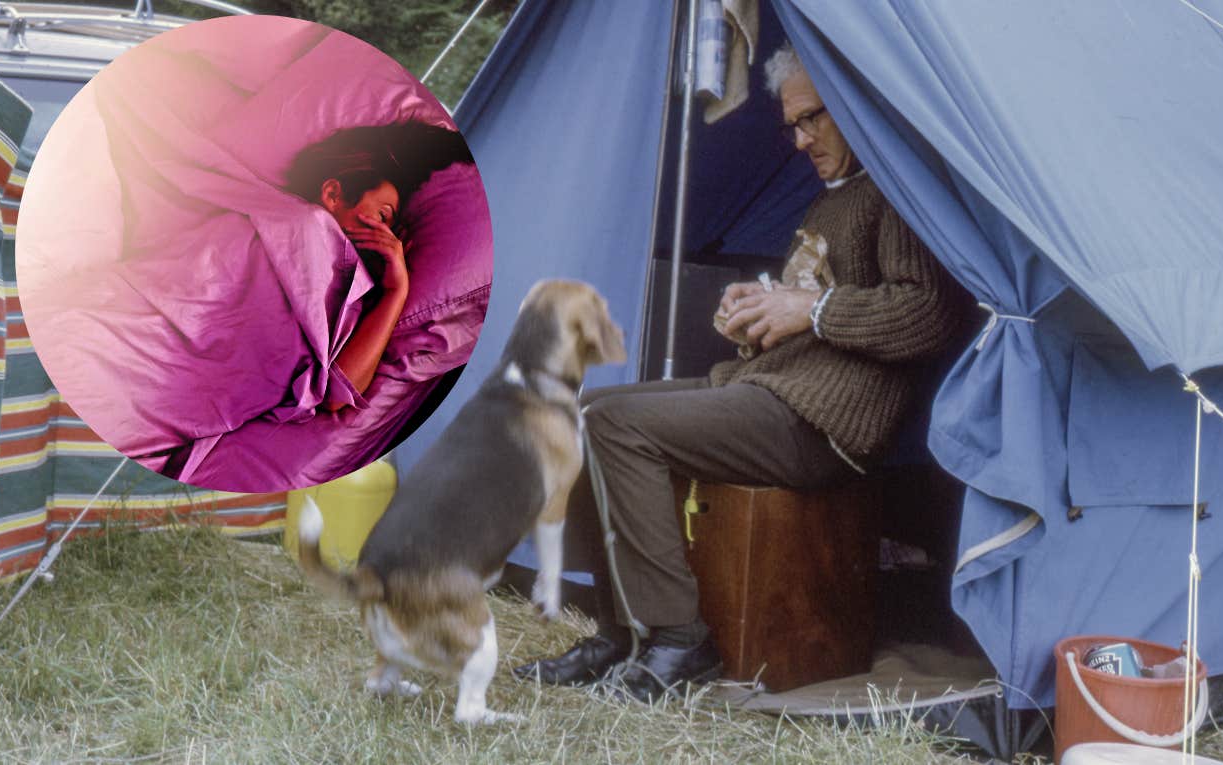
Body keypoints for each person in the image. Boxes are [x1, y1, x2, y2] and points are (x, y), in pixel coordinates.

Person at [513, 46, 974, 701]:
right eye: (793, 124)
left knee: (614, 423)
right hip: (767, 389)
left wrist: (807, 308)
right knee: (584, 408)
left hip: (820, 423)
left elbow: (929, 312)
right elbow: (805, 313)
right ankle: (621, 633)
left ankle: (679, 639)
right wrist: (755, 315)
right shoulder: (828, 203)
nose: (799, 139)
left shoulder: (895, 195)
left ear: (854, 108)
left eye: (812, 119)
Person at [285, 123, 471, 411]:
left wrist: (396, 291)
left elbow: (336, 395)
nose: (391, 238)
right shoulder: (299, 225)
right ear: (334, 194)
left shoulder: (351, 289)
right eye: (383, 217)